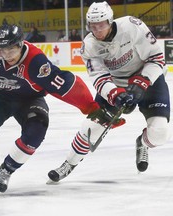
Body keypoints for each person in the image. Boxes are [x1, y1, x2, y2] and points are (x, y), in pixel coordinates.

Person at [0, 23, 123, 197]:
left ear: (21, 44)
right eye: (1, 50)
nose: (5, 55)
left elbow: (67, 86)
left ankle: (6, 170)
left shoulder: (37, 64)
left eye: (10, 50)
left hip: (29, 99)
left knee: (36, 132)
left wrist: (93, 109)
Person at [47, 1, 170, 183]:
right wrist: (116, 94)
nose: (97, 30)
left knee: (160, 133)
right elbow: (99, 77)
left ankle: (142, 143)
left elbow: (157, 58)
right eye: (92, 26)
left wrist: (139, 85)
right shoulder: (88, 45)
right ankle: (69, 163)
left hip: (148, 79)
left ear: (110, 21)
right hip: (115, 84)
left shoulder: (131, 26)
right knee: (91, 128)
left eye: (102, 25)